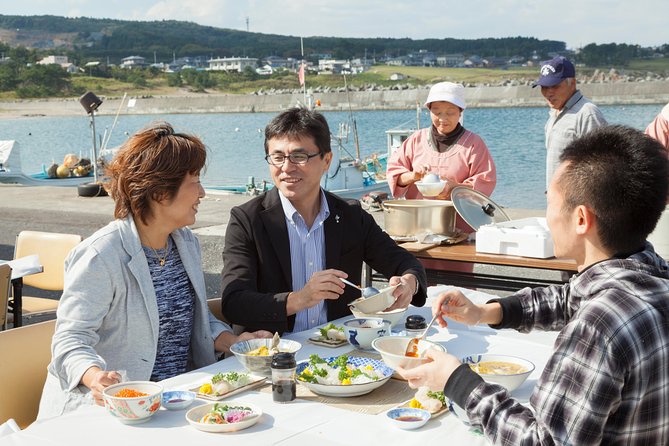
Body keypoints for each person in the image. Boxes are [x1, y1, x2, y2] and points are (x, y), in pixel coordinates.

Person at [398, 125, 669, 444]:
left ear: (581, 219)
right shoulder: (652, 275)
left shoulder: (598, 326)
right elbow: (568, 298)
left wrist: (456, 382)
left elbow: (541, 441)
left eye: (551, 203)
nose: (547, 215)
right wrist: (485, 312)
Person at [38, 122, 272, 419]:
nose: (202, 192)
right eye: (195, 181)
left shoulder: (185, 242)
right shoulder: (100, 255)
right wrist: (94, 376)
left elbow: (194, 320)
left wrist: (234, 343)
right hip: (108, 412)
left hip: (173, 403)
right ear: (161, 191)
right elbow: (70, 340)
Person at [221, 107, 428, 334]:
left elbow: (404, 262)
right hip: (274, 353)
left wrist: (409, 283)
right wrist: (299, 299)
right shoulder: (247, 220)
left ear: (327, 160)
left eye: (299, 156)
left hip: (338, 348)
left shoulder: (350, 215)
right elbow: (234, 302)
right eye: (277, 157)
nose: (286, 167)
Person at [386, 81, 496, 233]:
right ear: (429, 110)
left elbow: (485, 183)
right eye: (437, 112)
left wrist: (455, 188)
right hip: (418, 225)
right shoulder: (416, 140)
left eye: (450, 112)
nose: (443, 118)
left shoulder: (474, 144)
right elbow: (394, 174)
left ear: (460, 111)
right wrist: (413, 175)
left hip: (460, 226)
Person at [534, 55, 607, 190]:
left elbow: (600, 167)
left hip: (577, 204)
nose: (548, 92)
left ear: (572, 83)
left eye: (554, 86)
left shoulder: (587, 113)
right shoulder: (554, 114)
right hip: (558, 201)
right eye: (544, 86)